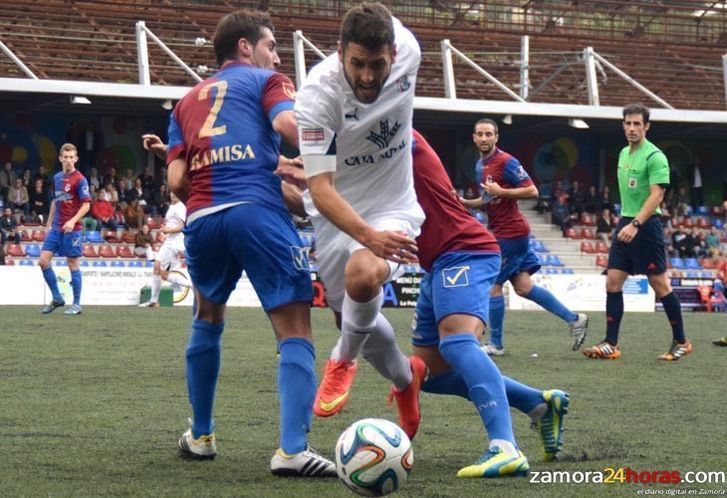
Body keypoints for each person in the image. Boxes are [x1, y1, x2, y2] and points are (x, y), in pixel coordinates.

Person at [276, 130, 572, 476]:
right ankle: (537, 403)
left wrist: (313, 168)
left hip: (466, 249)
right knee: (430, 375)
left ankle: (505, 447)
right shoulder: (357, 161)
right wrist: (287, 178)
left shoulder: (397, 133)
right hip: (436, 263)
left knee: (459, 343)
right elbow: (324, 203)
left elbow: (357, 164)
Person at [165, 9, 336, 476]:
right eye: (272, 45)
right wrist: (339, 153)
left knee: (207, 318)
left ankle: (200, 436)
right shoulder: (267, 80)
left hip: (201, 219)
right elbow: (288, 128)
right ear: (246, 47)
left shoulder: (184, 102)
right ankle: (292, 450)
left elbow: (176, 178)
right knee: (295, 328)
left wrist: (209, 189)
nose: (276, 55)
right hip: (256, 213)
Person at [291, 2, 425, 438]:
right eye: (358, 64)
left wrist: (375, 239)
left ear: (394, 52)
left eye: (377, 64)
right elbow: (322, 188)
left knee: (364, 274)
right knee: (350, 312)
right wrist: (367, 234)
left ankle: (342, 359)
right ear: (339, 52)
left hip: (394, 206)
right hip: (337, 216)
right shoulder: (317, 95)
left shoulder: (410, 50)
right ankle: (407, 379)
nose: (368, 76)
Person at [460, 118, 588, 356]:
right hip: (506, 230)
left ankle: (496, 344)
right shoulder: (480, 166)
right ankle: (574, 319)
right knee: (523, 286)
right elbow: (489, 200)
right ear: (474, 137)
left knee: (492, 286)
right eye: (480, 134)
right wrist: (467, 203)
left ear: (496, 137)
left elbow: (532, 190)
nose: (485, 138)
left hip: (510, 232)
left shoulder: (506, 161)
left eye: (489, 134)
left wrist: (503, 191)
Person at [583, 103, 692, 361]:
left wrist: (636, 224)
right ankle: (611, 343)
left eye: (637, 124)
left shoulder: (655, 156)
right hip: (626, 221)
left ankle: (681, 341)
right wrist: (627, 222)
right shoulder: (623, 153)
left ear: (646, 127)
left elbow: (657, 194)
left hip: (646, 225)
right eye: (628, 124)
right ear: (623, 125)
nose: (632, 128)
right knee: (612, 281)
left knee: (659, 283)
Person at [39, 143, 91, 315]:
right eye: (65, 157)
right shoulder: (56, 178)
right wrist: (49, 223)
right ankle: (57, 298)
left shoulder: (80, 179)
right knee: (43, 261)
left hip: (72, 228)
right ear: (60, 158)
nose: (68, 160)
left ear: (76, 159)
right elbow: (56, 200)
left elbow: (86, 205)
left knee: (72, 263)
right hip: (56, 228)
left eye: (71, 157)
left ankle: (76, 304)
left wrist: (72, 220)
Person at [138, 193, 191, 307]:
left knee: (163, 274)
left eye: (176, 192)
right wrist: (166, 233)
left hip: (174, 244)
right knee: (157, 268)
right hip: (169, 242)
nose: (174, 195)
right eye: (172, 192)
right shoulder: (172, 206)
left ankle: (195, 286)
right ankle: (153, 301)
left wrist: (168, 231)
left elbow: (183, 226)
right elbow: (172, 224)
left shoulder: (181, 207)